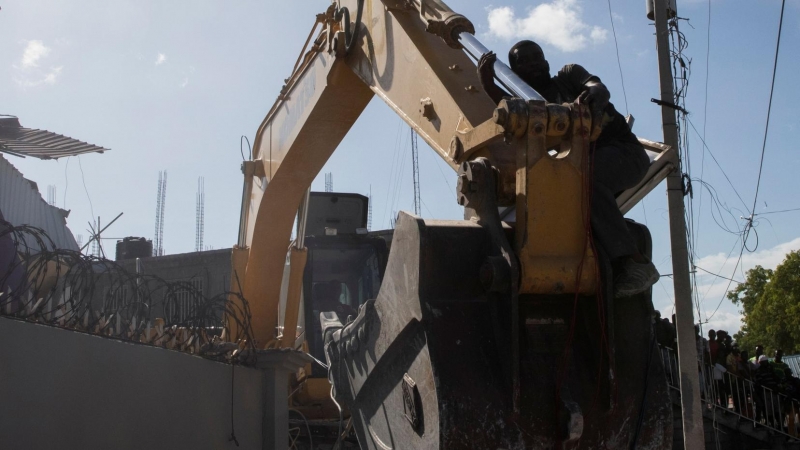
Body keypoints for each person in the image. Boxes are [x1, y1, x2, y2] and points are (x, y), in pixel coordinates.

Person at [477, 41, 658, 298]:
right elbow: (514, 114)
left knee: (583, 180)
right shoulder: (532, 107)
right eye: (525, 61)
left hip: (625, 153)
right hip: (587, 164)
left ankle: (635, 262)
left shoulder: (569, 76)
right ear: (515, 71)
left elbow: (598, 87)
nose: (534, 63)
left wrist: (594, 94)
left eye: (537, 57)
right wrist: (488, 86)